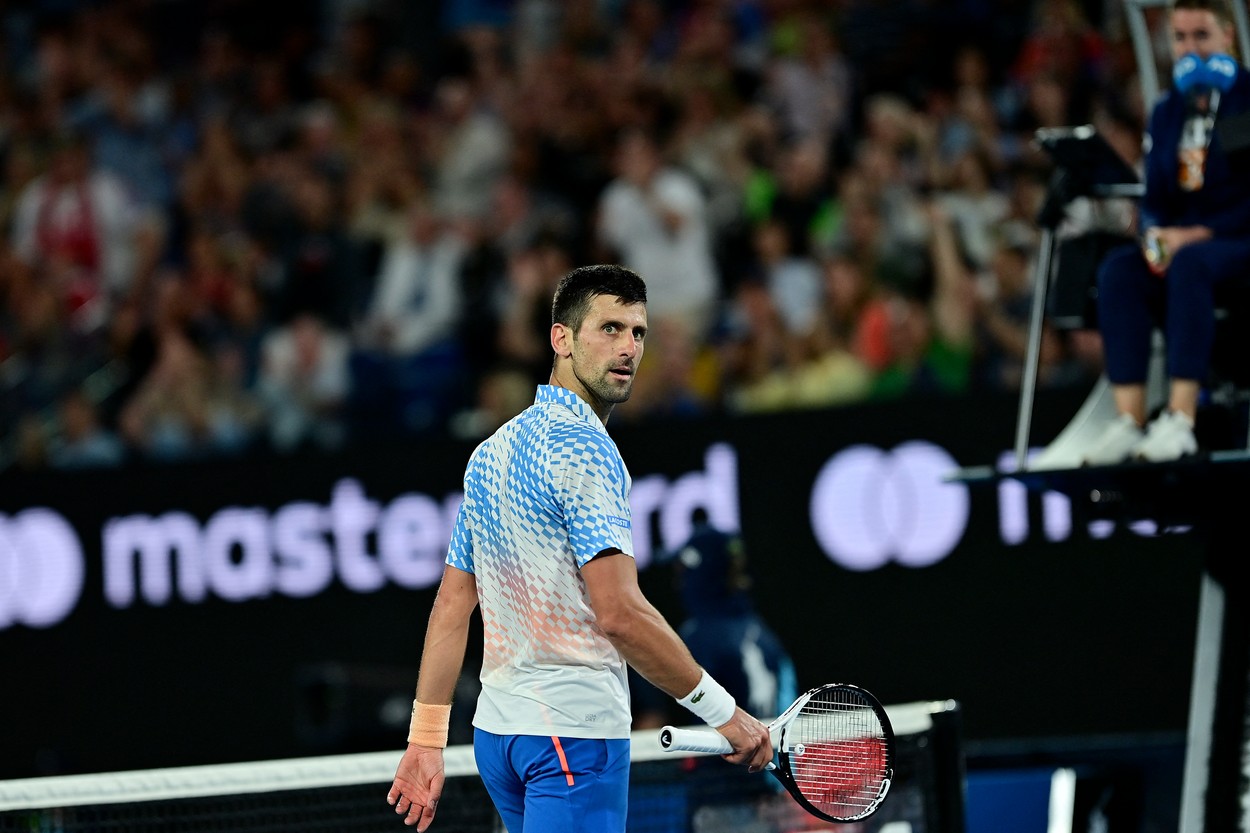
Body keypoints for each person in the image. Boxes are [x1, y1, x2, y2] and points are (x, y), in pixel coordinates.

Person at [386, 265, 772, 832]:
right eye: (609, 329)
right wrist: (725, 715)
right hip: (571, 737)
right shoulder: (587, 451)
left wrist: (426, 739)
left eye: (638, 332)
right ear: (560, 339)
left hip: (501, 737)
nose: (628, 348)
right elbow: (619, 615)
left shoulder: (491, 452)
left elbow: (451, 605)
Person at [1083, 0, 1250, 464]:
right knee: (1120, 270)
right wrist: (1155, 235)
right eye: (1180, 38)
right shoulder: (1167, 111)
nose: (1190, 49)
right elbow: (1155, 197)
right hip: (1183, 245)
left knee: (1190, 265)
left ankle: (1180, 418)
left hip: (1235, 240)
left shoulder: (1247, 101)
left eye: (1202, 36)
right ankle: (1130, 420)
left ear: (1227, 38)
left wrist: (1194, 236)